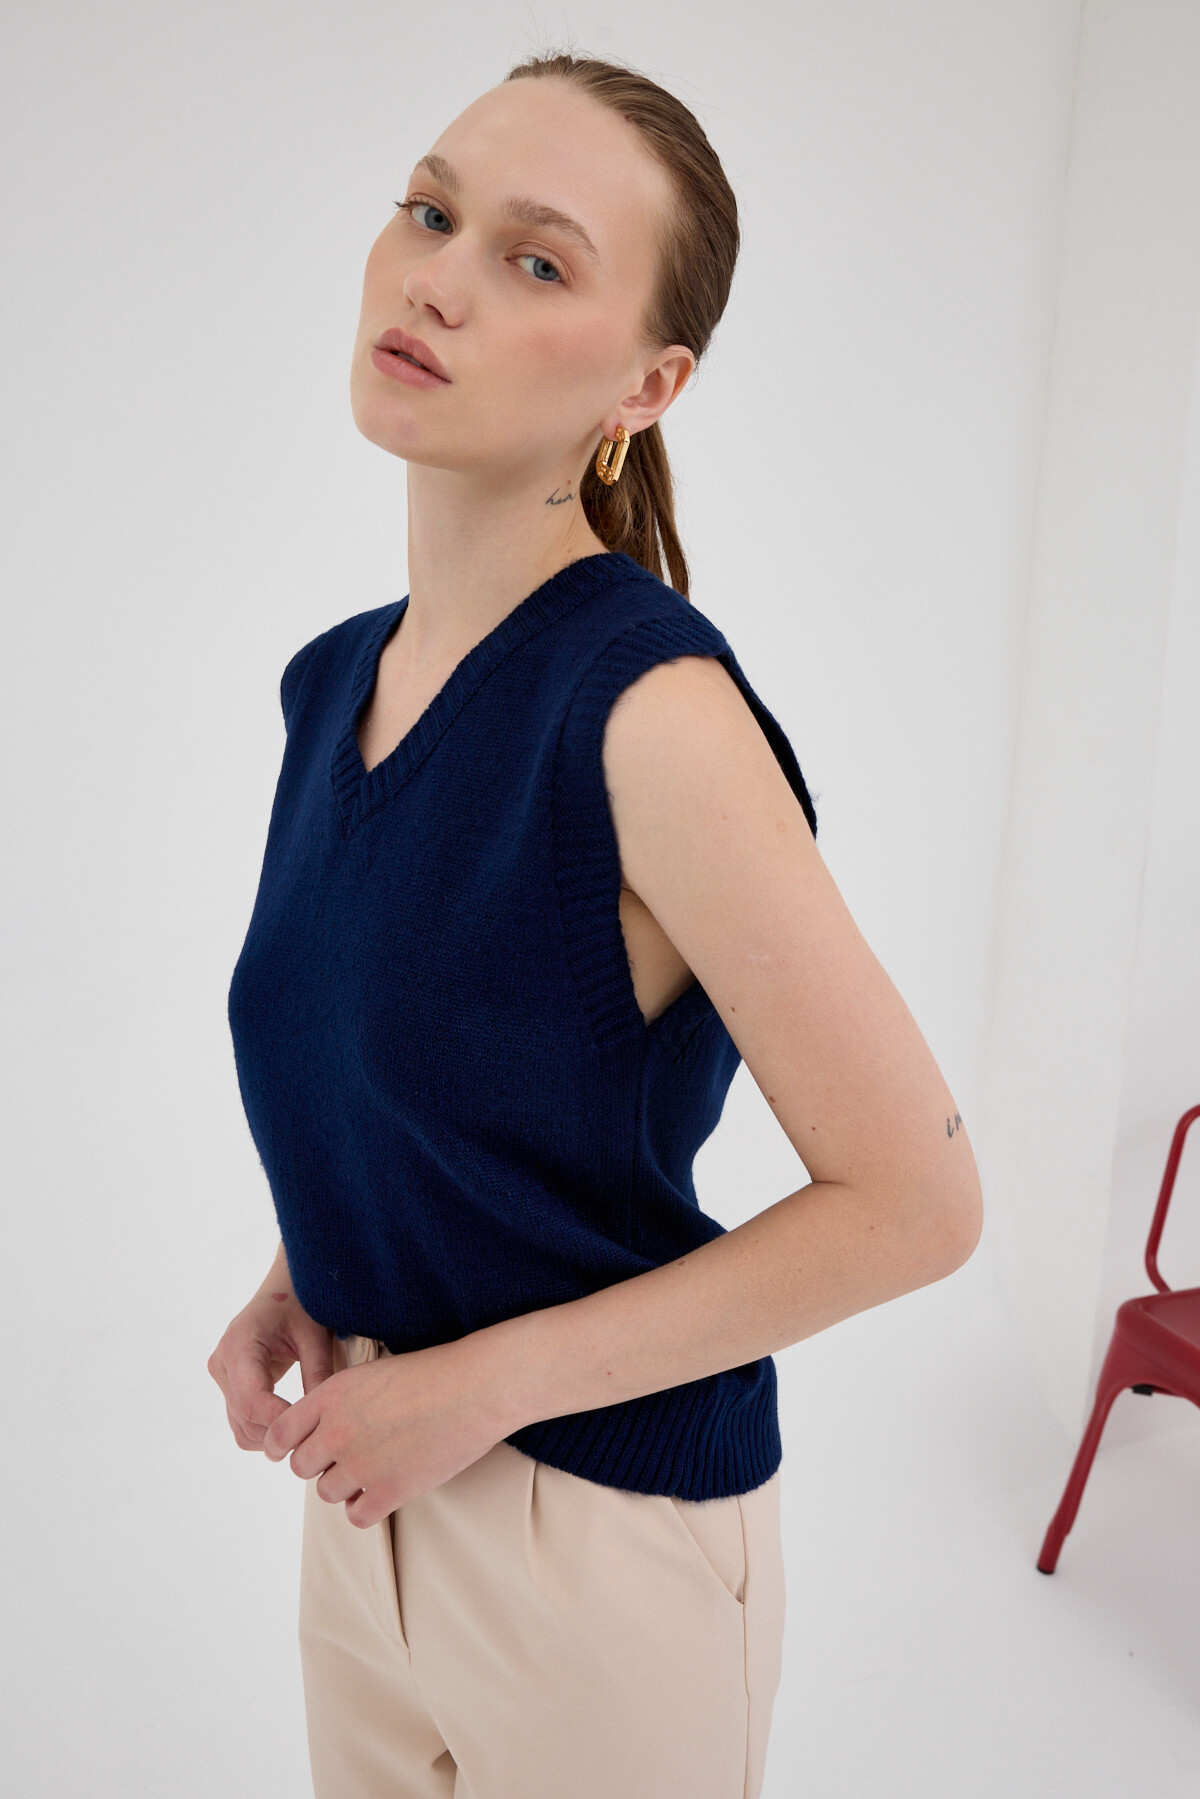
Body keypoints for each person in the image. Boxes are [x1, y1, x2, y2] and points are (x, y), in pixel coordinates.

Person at [208, 49, 983, 1799]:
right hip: (368, 1492)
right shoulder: (332, 684)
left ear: (650, 382)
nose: (438, 279)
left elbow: (919, 1205)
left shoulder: (649, 715)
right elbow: (411, 1073)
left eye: (537, 259)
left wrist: (474, 1390)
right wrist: (300, 1277)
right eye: (430, 212)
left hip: (595, 1543)